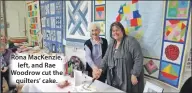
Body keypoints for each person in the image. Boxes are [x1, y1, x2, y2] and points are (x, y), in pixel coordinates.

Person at [93, 22, 144, 92]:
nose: (115, 32)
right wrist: (100, 70)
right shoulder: (111, 44)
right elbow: (106, 58)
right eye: (113, 31)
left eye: (117, 30)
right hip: (114, 79)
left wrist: (134, 74)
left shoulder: (131, 41)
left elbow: (138, 58)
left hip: (128, 79)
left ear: (122, 30)